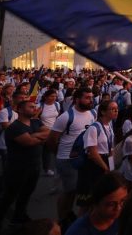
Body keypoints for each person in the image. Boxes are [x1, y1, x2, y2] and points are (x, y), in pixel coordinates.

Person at [46, 87, 96, 227]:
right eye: (87, 97)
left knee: (79, 191)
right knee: (69, 191)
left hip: (83, 160)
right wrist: (60, 155)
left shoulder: (92, 113)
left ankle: (70, 217)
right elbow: (51, 140)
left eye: (91, 97)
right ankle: (62, 220)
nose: (90, 100)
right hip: (67, 160)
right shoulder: (66, 117)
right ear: (77, 99)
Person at [0, 100, 49, 229]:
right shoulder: (14, 127)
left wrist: (34, 135)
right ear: (20, 110)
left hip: (34, 166)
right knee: (9, 197)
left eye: (35, 106)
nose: (35, 108)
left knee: (26, 194)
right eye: (31, 107)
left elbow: (48, 133)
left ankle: (18, 217)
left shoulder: (36, 122)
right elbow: (29, 142)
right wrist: (38, 137)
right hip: (17, 168)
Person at [77, 100, 118, 212]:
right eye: (112, 109)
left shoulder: (109, 126)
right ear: (103, 112)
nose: (116, 111)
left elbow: (110, 148)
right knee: (88, 200)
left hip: (105, 161)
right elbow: (93, 152)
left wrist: (111, 165)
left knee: (100, 198)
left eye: (116, 109)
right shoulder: (94, 128)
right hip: (94, 165)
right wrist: (105, 168)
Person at [38, 89, 61, 176]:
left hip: (54, 132)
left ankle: (50, 168)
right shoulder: (40, 106)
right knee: (43, 151)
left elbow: (57, 116)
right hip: (43, 132)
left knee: (52, 151)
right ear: (46, 97)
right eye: (51, 96)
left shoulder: (57, 104)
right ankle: (44, 168)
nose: (54, 98)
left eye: (55, 96)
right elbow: (35, 119)